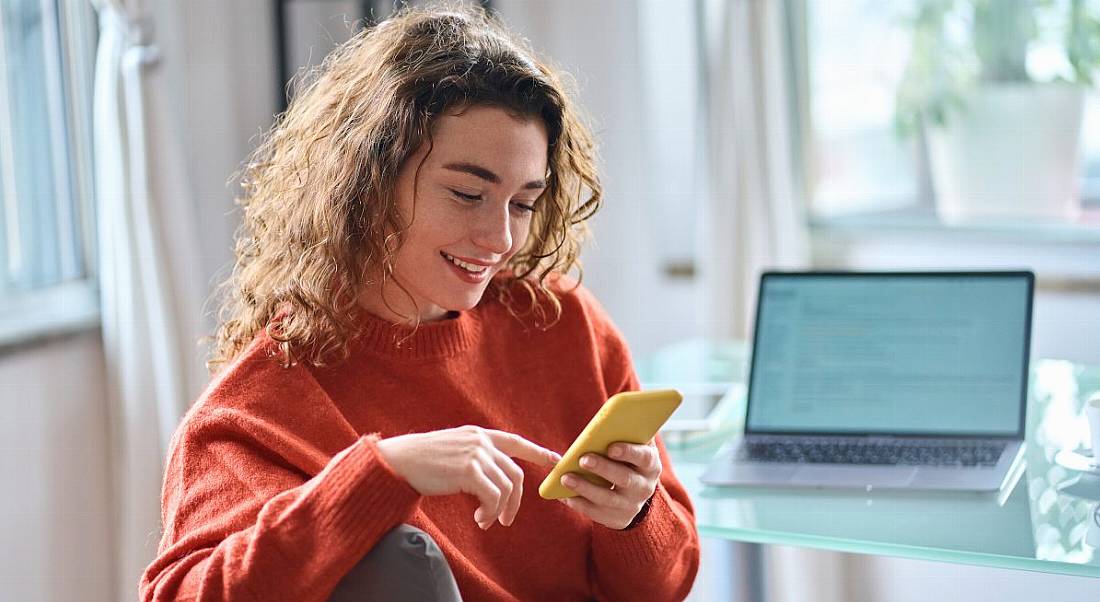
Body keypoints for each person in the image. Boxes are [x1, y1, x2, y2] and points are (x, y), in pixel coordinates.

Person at [140, 4, 700, 601]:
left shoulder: (562, 322)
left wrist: (635, 517)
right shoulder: (263, 409)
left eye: (522, 203)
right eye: (467, 194)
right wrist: (381, 472)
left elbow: (668, 585)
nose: (501, 241)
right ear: (369, 182)